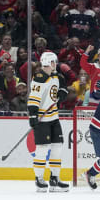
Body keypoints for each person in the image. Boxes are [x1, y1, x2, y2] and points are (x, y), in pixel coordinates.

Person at [27, 52, 69, 192]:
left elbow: (62, 83)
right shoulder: (39, 78)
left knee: (57, 148)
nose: (55, 64)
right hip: (42, 119)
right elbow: (33, 98)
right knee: (42, 149)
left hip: (54, 118)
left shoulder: (55, 76)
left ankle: (54, 179)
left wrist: (62, 91)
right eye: (54, 62)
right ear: (50, 63)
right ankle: (39, 178)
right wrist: (33, 116)